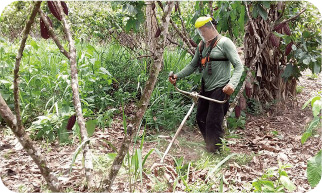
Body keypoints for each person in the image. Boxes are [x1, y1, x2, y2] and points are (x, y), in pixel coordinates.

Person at [168, 16, 244, 153]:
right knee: (201, 118)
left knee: (213, 122)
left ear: (210, 28)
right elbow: (192, 65)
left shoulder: (225, 43)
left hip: (220, 89)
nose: (201, 34)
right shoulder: (202, 45)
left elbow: (239, 66)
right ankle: (211, 146)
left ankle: (215, 153)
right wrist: (177, 76)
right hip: (206, 88)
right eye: (199, 31)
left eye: (203, 30)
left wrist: (232, 84)